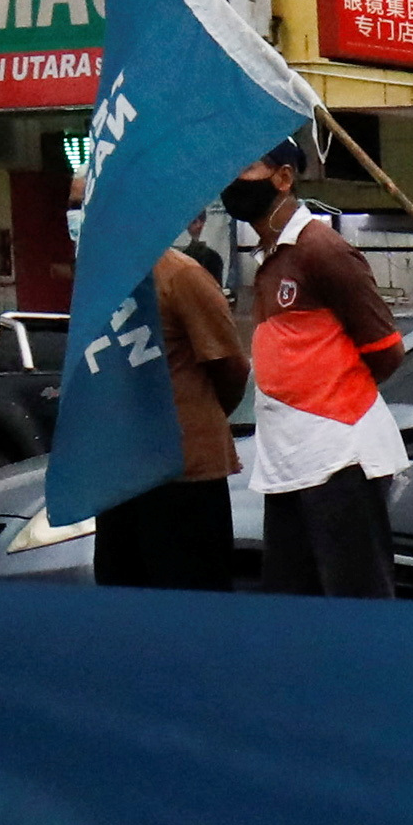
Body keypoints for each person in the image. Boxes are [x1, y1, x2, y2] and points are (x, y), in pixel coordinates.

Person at [232, 132, 408, 600]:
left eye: (244, 167)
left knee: (356, 606)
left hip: (339, 459)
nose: (231, 180)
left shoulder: (322, 250)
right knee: (295, 609)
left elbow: (387, 350)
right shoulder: (271, 255)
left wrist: (332, 400)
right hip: (289, 463)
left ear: (283, 178)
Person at [93, 213, 247, 595]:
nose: (79, 216)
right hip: (120, 476)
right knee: (123, 606)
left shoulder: (181, 276)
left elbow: (230, 368)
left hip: (183, 474)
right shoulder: (98, 283)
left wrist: (195, 415)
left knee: (190, 606)